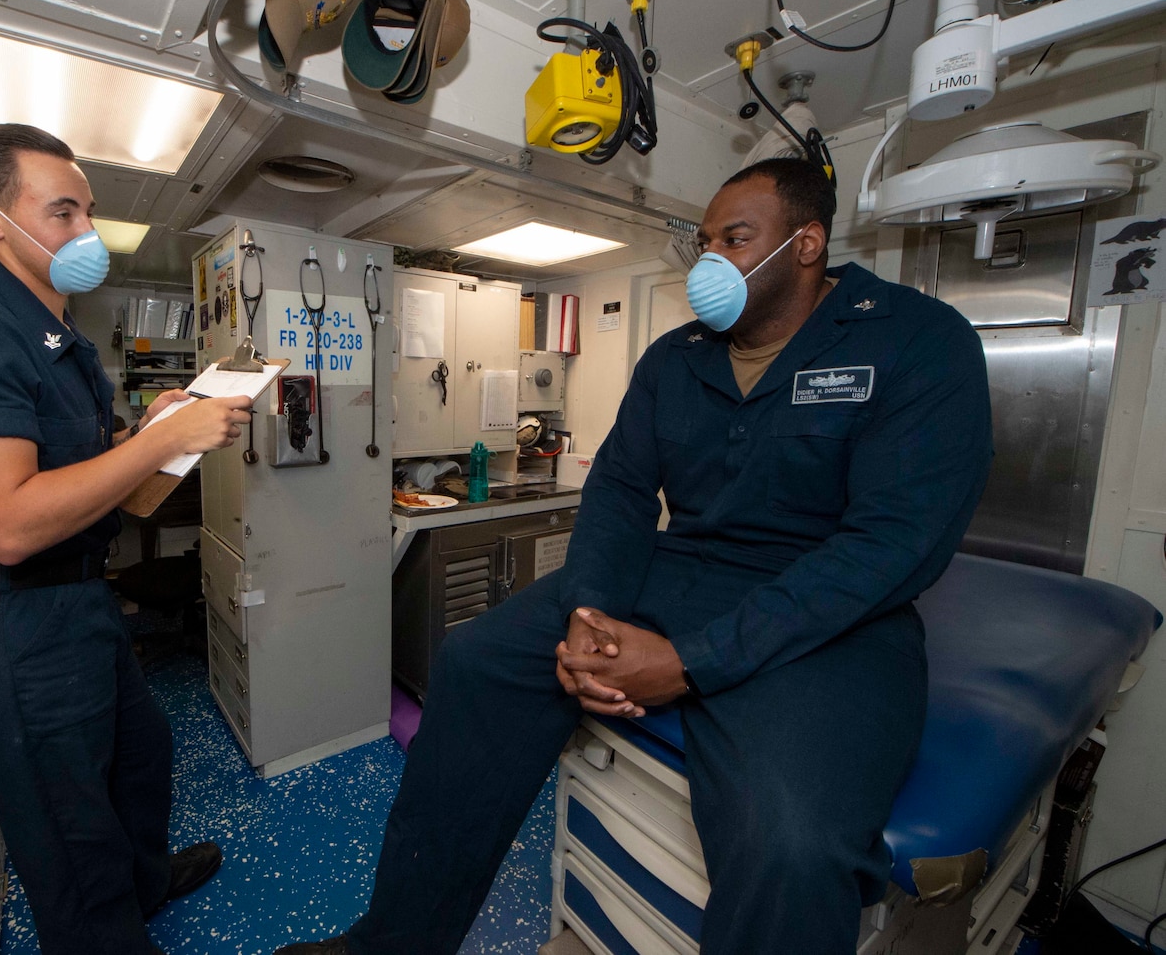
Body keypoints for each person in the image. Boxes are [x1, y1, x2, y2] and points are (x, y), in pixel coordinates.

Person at [276, 157, 993, 955]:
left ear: (806, 243)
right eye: (705, 240)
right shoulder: (675, 358)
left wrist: (692, 661)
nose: (711, 257)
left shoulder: (918, 342)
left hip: (830, 610)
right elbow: (619, 491)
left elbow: (893, 543)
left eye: (736, 237)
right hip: (674, 571)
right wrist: (588, 608)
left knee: (791, 841)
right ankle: (392, 944)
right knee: (476, 661)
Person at [0, 123, 253, 955]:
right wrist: (153, 445)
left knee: (139, 757)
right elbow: (8, 524)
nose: (85, 233)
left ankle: (143, 886)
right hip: (13, 622)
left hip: (79, 598)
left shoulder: (59, 340)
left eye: (87, 212)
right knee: (67, 825)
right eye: (62, 212)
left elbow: (95, 489)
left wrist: (152, 436)